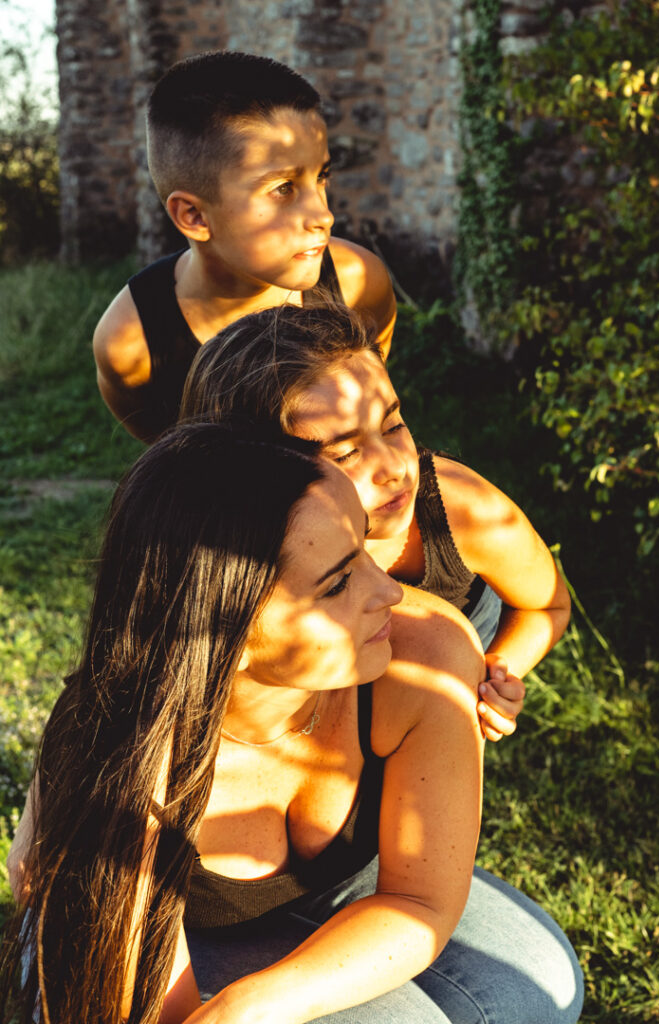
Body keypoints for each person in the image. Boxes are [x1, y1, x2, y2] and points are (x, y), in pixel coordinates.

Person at [2, 424, 583, 1023]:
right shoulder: (121, 745)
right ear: (223, 629)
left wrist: (252, 1003)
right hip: (152, 936)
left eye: (363, 547)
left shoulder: (426, 652)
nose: (388, 591)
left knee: (534, 992)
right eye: (336, 583)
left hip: (342, 894)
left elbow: (419, 899)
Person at [178, 303, 571, 738]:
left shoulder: (464, 510)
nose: (394, 468)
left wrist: (489, 678)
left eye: (393, 425)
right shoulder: (233, 561)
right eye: (345, 453)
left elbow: (547, 603)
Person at [92, 50, 397, 443]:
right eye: (283, 188)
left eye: (321, 176)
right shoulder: (133, 345)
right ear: (194, 217)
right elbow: (172, 459)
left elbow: (371, 406)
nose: (323, 215)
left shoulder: (357, 283)